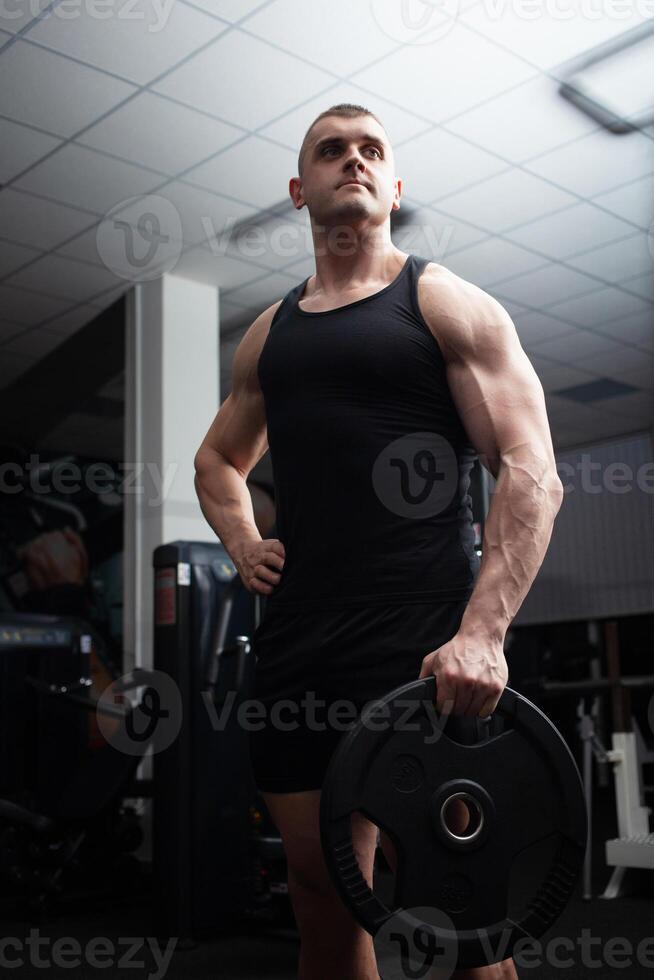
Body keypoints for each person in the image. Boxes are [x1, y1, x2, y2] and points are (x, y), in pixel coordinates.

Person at [194, 103, 563, 980]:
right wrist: (245, 542)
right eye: (331, 151)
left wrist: (482, 633)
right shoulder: (269, 336)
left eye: (371, 152)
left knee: (448, 893)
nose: (351, 161)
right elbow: (216, 462)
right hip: (298, 646)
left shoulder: (441, 302)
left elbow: (531, 471)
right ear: (299, 190)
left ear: (395, 188)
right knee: (321, 891)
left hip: (420, 647)